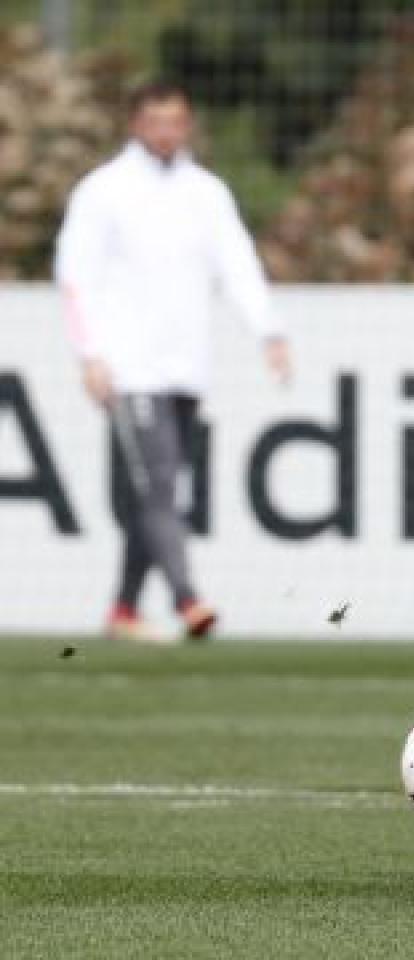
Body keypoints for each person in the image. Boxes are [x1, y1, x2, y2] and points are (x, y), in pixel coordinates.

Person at [54, 80, 290, 643]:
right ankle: (188, 599)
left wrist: (269, 331)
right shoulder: (103, 191)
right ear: (137, 124)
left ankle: (123, 611)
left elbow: (237, 264)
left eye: (175, 121)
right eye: (155, 120)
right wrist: (91, 354)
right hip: (129, 367)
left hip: (186, 365)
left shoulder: (206, 192)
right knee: (159, 483)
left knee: (151, 486)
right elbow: (75, 277)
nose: (166, 131)